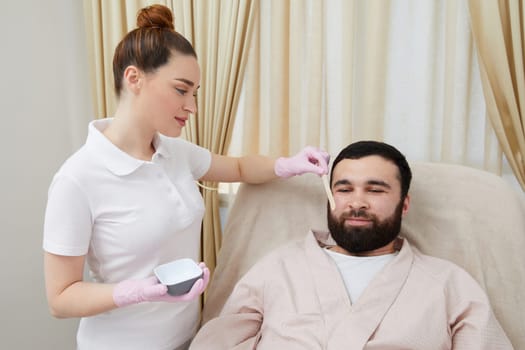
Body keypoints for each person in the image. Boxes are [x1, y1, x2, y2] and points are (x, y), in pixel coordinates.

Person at [42, 4, 329, 350]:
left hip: (188, 339)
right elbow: (60, 298)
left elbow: (238, 167)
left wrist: (288, 164)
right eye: (182, 90)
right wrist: (136, 292)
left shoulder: (175, 153)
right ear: (134, 78)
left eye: (195, 93)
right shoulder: (77, 179)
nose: (192, 106)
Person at [189, 140, 514, 350]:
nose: (357, 202)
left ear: (404, 204)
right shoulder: (277, 269)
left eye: (375, 190)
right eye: (344, 189)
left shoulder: (448, 284)